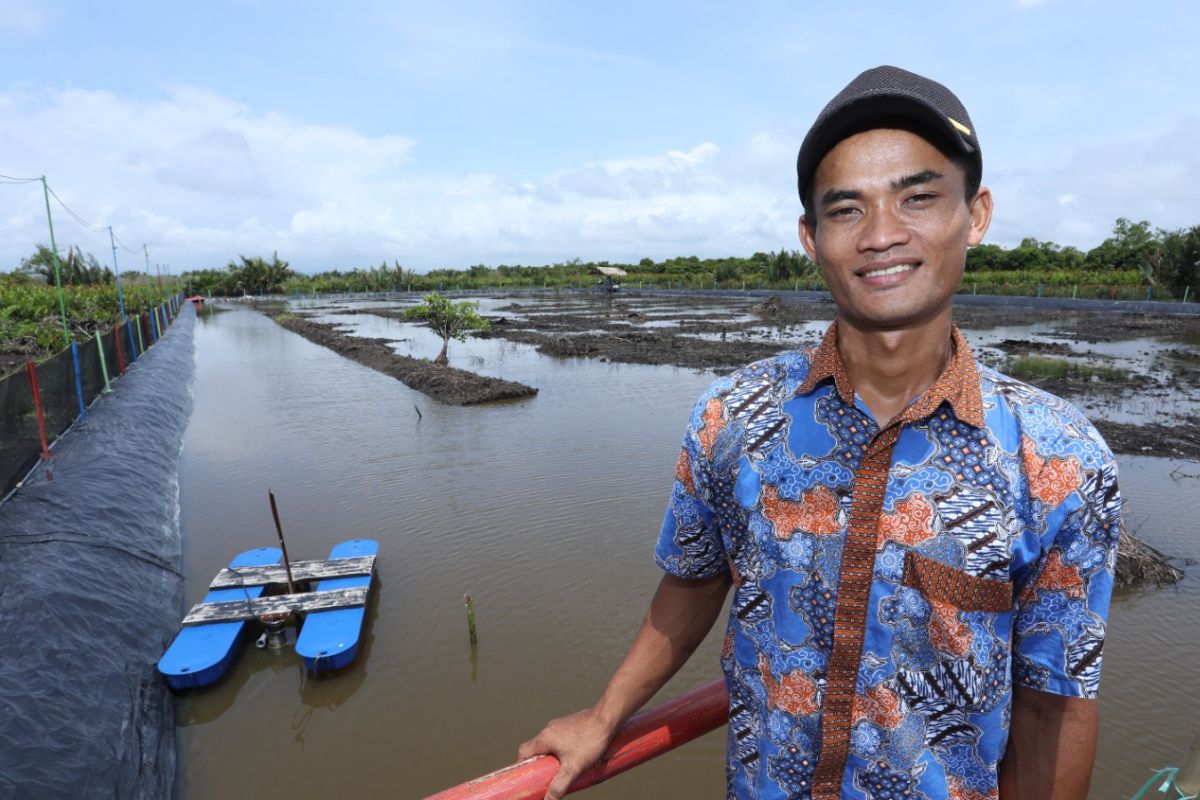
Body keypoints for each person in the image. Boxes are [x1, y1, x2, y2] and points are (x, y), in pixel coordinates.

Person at [519, 65, 1121, 800]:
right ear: (811, 237)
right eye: (846, 211)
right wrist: (605, 714)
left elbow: (1053, 705)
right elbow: (693, 577)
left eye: (919, 197)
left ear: (977, 213)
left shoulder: (1058, 458)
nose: (882, 236)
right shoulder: (734, 417)